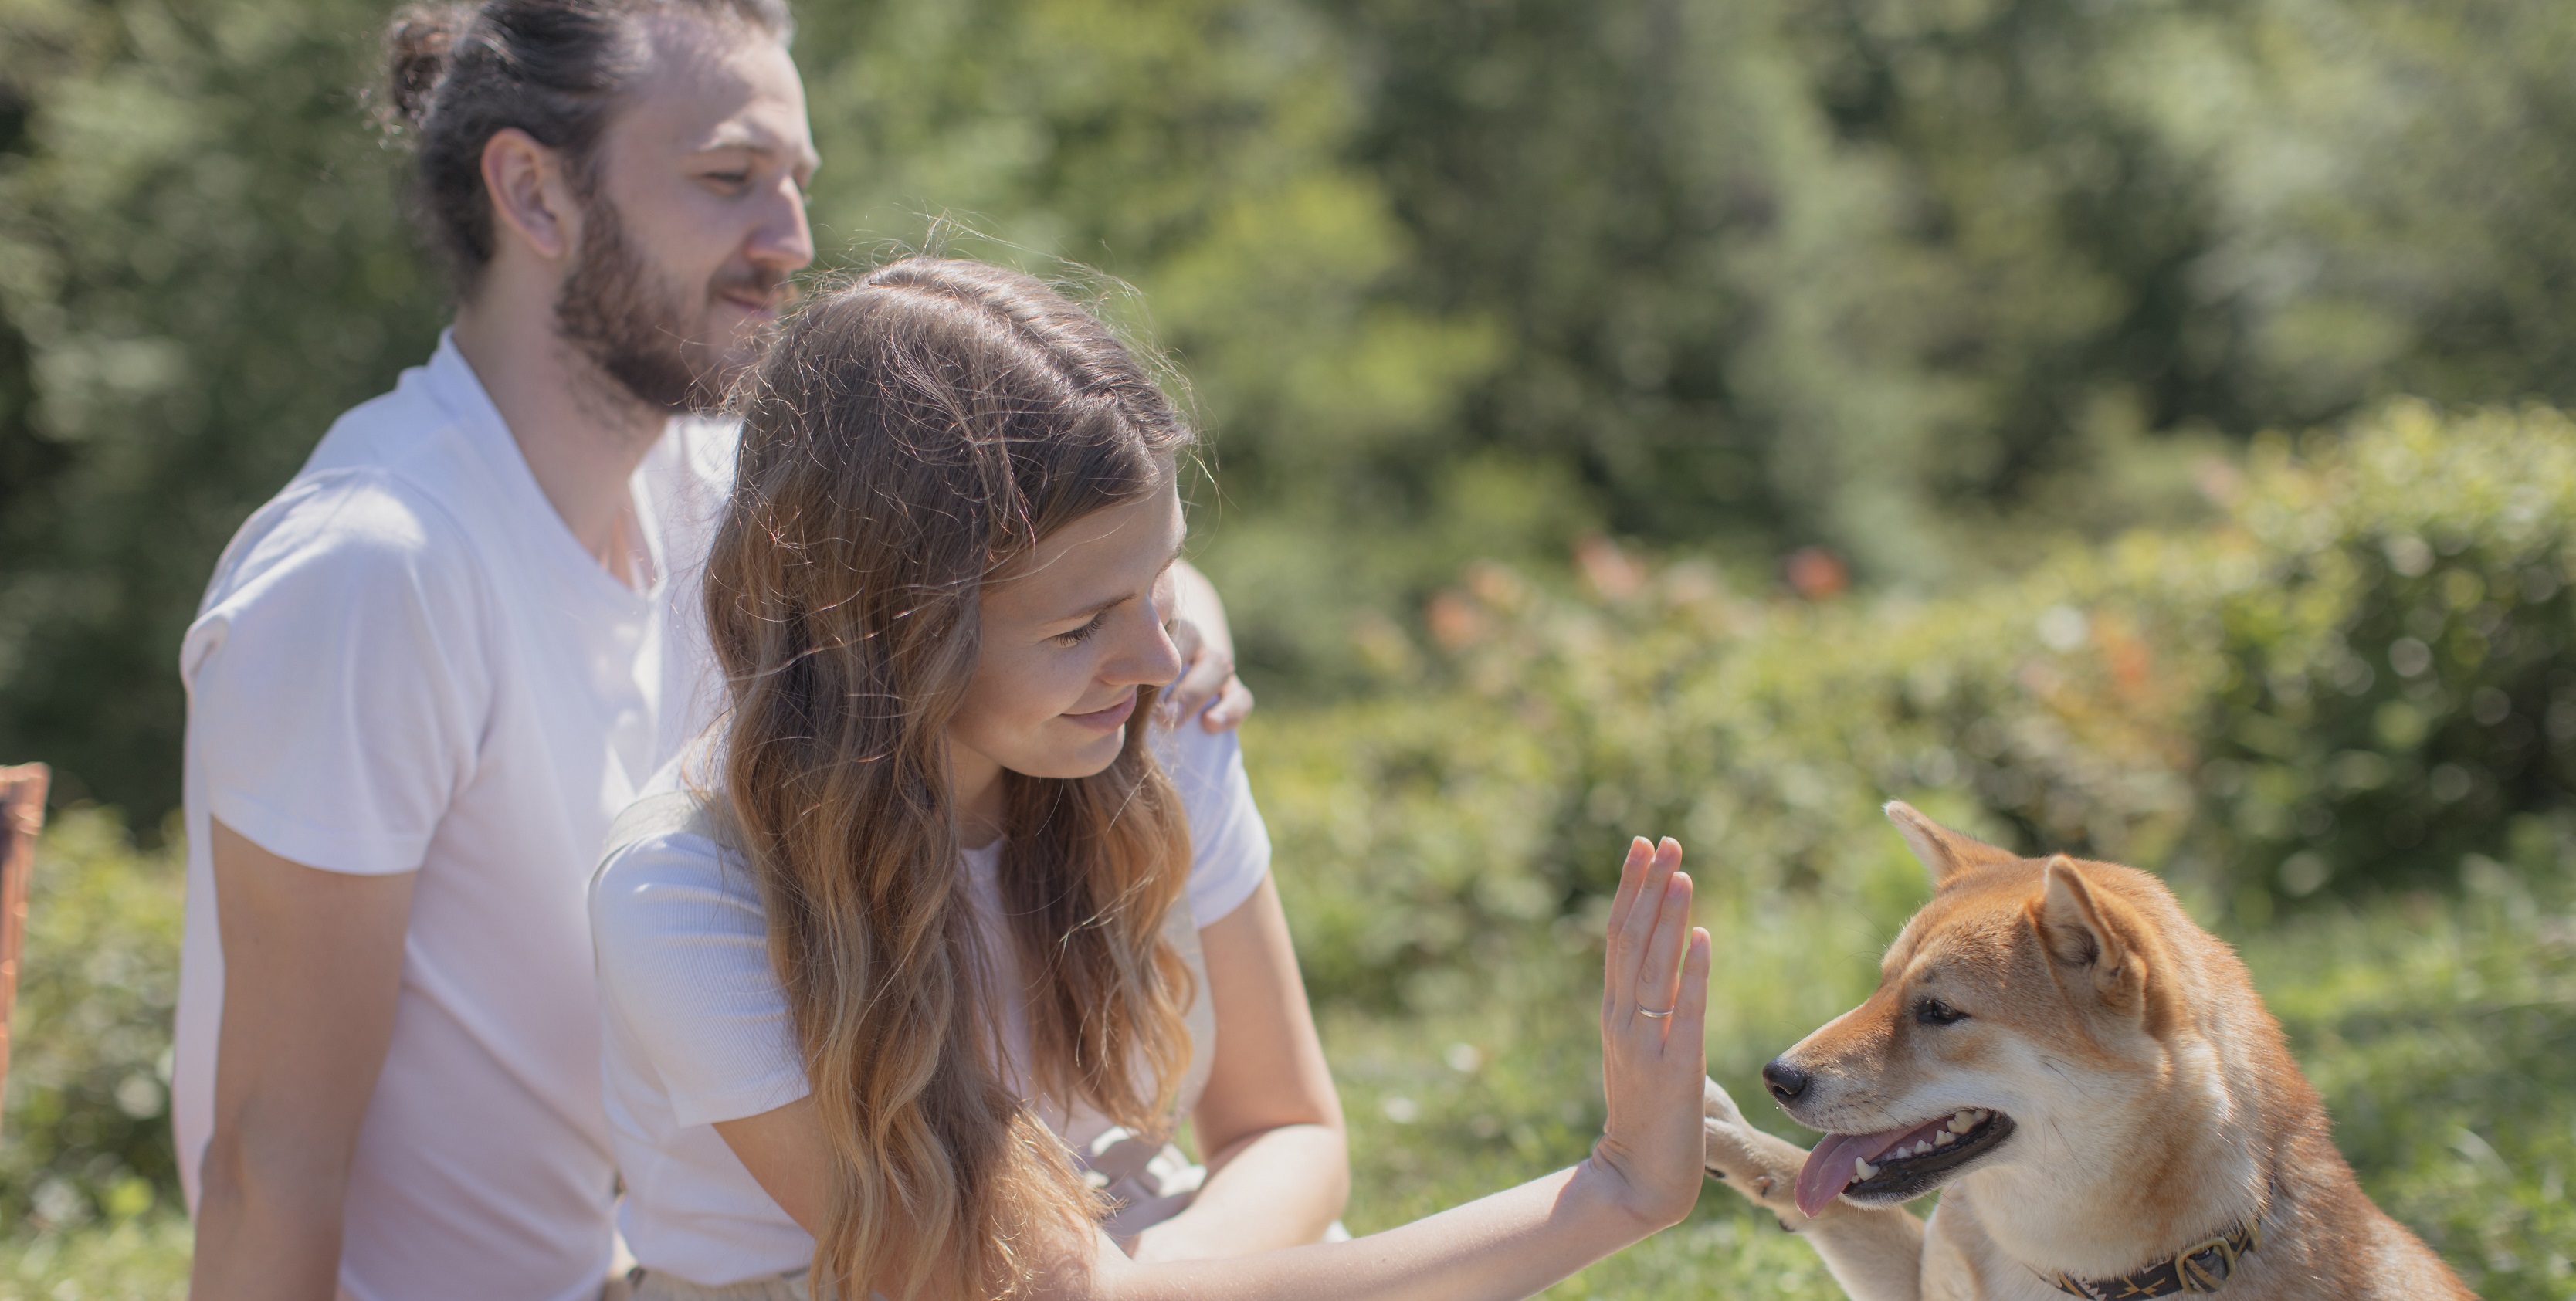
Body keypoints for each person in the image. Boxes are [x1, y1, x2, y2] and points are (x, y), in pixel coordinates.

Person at [171, 5, 1248, 1299]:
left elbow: (1049, 565)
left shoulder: (716, 502)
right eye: (729, 181)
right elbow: (266, 1159)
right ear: (532, 191)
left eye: (798, 184)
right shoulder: (373, 569)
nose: (790, 241)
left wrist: (1183, 609)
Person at [589, 257, 1714, 1301]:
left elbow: (1288, 1129)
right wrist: (1609, 1194)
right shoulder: (689, 894)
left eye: (1162, 578)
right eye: (1081, 626)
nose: (1159, 660)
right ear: (887, 629)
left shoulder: (1150, 727)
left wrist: (1153, 1269)